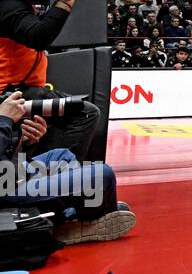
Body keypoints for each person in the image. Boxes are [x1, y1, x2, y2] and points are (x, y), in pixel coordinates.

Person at [0, 91, 136, 244]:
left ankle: (71, 217)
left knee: (61, 156)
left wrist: (21, 141)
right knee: (102, 175)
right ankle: (83, 218)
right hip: (6, 187)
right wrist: (4, 120)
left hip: (10, 175)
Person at [0, 0, 102, 160]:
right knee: (84, 114)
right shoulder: (8, 4)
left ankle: (36, 169)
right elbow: (39, 36)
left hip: (21, 88)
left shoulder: (11, 2)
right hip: (10, 92)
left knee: (46, 124)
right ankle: (51, 178)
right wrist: (66, 0)